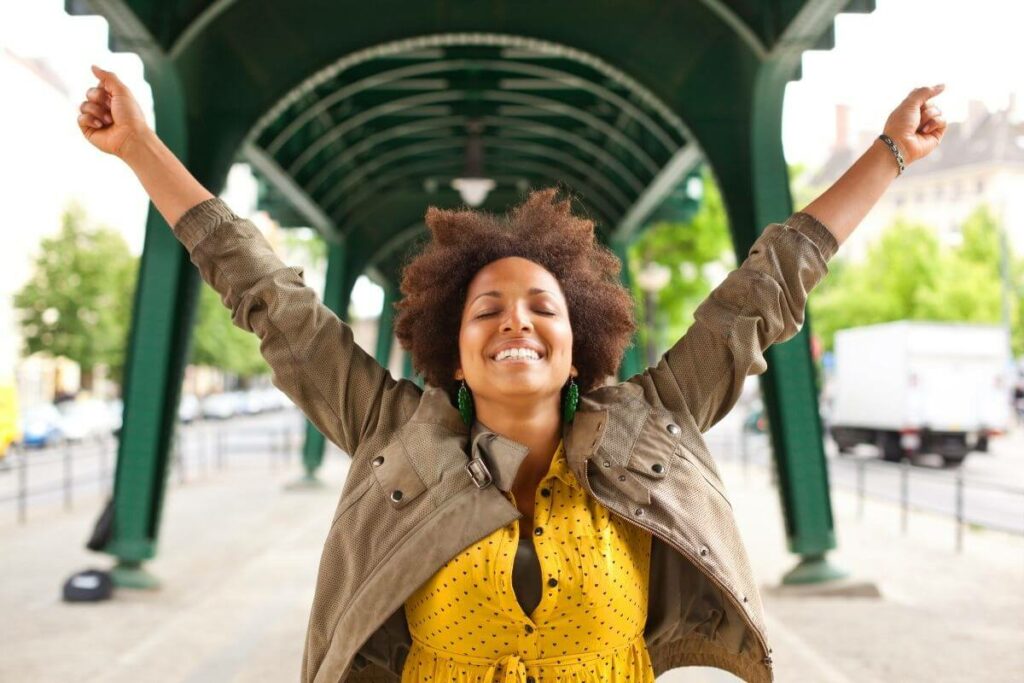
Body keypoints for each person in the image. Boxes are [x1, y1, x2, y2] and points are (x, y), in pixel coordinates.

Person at [77, 65, 946, 683]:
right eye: (486, 310)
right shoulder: (393, 435)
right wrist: (140, 147)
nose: (515, 322)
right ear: (452, 348)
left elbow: (765, 292)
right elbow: (265, 291)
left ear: (581, 341)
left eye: (541, 307)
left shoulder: (655, 418)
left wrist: (890, 153)